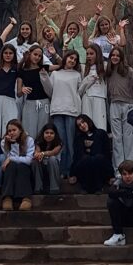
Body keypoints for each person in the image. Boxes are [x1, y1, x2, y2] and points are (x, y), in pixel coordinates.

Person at [48, 50, 83, 178]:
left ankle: (71, 170)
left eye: (75, 59)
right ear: (65, 58)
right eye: (70, 58)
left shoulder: (77, 75)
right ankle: (61, 171)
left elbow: (80, 92)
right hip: (57, 110)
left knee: (71, 141)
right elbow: (49, 90)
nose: (72, 61)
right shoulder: (55, 74)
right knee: (60, 142)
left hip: (72, 111)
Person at [106, 46, 133, 169]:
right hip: (114, 104)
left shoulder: (128, 70)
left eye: (117, 55)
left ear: (121, 58)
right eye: (113, 55)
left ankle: (130, 167)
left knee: (128, 137)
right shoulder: (108, 71)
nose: (115, 57)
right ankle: (118, 168)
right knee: (116, 138)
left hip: (128, 105)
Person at [71, 114, 113, 193]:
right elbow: (77, 156)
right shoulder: (78, 138)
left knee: (98, 158)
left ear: (88, 121)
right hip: (84, 166)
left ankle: (99, 188)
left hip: (100, 164)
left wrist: (111, 174)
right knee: (86, 159)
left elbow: (107, 153)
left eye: (83, 122)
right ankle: (85, 188)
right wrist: (72, 174)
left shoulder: (101, 133)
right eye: (79, 125)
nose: (82, 125)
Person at [17, 44, 52, 139]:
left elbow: (61, 65)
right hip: (30, 103)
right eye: (35, 54)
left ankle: (41, 148)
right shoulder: (22, 70)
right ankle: (29, 147)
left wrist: (55, 54)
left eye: (40, 56)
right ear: (30, 54)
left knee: (43, 130)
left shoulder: (43, 68)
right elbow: (18, 93)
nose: (37, 57)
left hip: (44, 102)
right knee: (29, 129)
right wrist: (22, 90)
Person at [0, 120, 35, 211]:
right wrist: (13, 143)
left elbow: (28, 160)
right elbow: (9, 158)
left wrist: (11, 158)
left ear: (20, 130)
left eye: (14, 130)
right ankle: (7, 197)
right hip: (11, 170)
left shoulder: (29, 140)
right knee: (11, 165)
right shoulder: (4, 142)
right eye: (9, 131)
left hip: (25, 169)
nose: (11, 133)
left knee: (22, 166)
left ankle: (26, 198)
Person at [79, 44, 109, 133]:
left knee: (100, 125)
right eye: (87, 54)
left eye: (91, 54)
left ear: (97, 54)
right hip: (86, 97)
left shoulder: (104, 66)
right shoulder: (83, 68)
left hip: (99, 97)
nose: (89, 56)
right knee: (87, 125)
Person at [32, 123, 62, 195]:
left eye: (51, 133)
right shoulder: (38, 141)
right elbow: (37, 152)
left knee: (52, 159)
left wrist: (43, 153)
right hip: (42, 168)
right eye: (47, 133)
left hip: (55, 169)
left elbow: (53, 152)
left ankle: (54, 188)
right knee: (35, 161)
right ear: (43, 133)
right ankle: (38, 188)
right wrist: (37, 155)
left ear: (55, 134)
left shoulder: (59, 143)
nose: (49, 135)